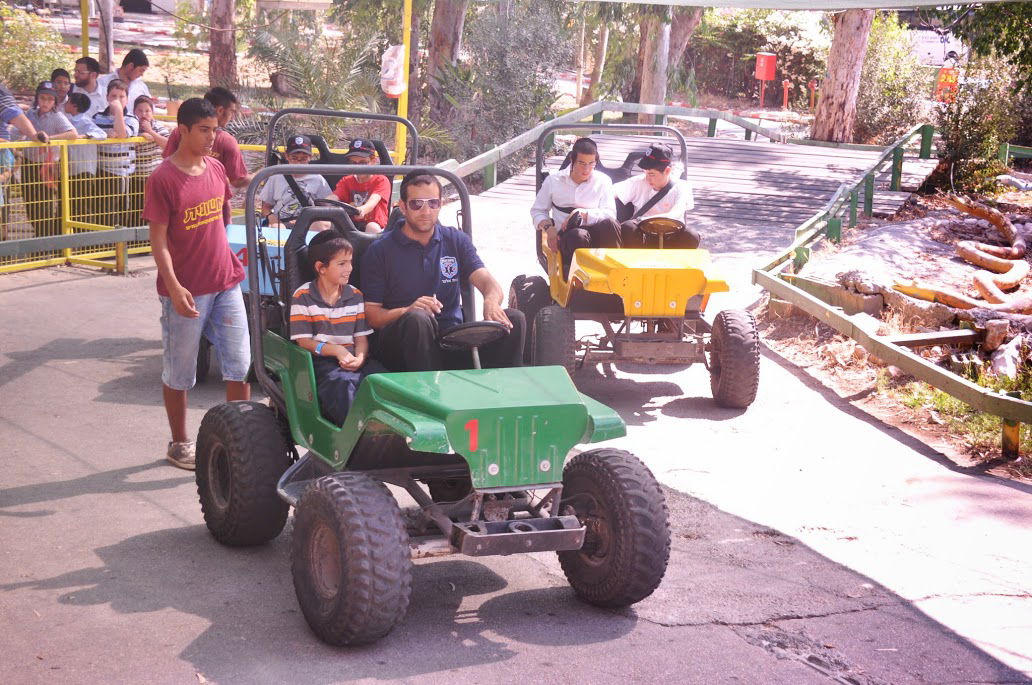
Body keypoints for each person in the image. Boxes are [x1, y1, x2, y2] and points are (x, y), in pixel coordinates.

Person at [142, 97, 251, 470]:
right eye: (204, 130)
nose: (211, 137)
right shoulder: (162, 179)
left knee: (240, 364)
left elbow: (222, 218)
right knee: (180, 372)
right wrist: (173, 287)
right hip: (187, 291)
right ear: (183, 130)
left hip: (227, 282)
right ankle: (179, 443)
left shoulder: (217, 169)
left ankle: (239, 442)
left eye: (214, 130)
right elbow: (158, 242)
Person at [362, 170, 525, 372]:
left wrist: (491, 302)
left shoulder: (455, 239)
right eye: (417, 204)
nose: (426, 211)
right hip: (402, 344)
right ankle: (429, 389)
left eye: (433, 203)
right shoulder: (380, 250)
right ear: (402, 207)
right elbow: (372, 316)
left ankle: (504, 389)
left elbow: (487, 282)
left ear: (440, 204)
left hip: (452, 338)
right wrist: (407, 310)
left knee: (514, 319)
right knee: (418, 319)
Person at [290, 231, 384, 425]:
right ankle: (357, 432)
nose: (349, 268)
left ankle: (387, 431)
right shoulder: (303, 296)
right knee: (342, 384)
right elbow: (304, 342)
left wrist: (360, 358)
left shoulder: (355, 295)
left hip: (353, 356)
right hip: (321, 359)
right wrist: (336, 351)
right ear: (321, 268)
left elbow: (361, 338)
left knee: (382, 380)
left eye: (350, 262)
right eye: (342, 264)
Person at [530, 137, 620, 277]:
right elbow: (538, 210)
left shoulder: (603, 181)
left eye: (591, 163)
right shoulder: (553, 181)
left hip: (596, 233)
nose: (586, 169)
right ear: (572, 160)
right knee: (579, 235)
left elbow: (610, 214)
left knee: (611, 224)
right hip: (568, 236)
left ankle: (616, 274)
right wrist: (549, 228)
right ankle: (576, 280)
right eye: (581, 163)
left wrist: (584, 214)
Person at [613, 143, 699, 249]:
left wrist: (642, 220)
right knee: (628, 227)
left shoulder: (682, 187)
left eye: (652, 174)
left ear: (667, 171)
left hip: (671, 235)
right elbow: (609, 192)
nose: (647, 178)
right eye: (645, 172)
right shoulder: (639, 182)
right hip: (642, 237)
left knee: (691, 235)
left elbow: (675, 213)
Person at [163, 87, 250, 188]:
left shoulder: (180, 132)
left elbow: (167, 163)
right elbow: (238, 181)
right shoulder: (227, 141)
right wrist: (260, 174)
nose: (211, 138)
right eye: (232, 111)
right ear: (220, 110)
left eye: (213, 131)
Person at [23, 81, 77, 237]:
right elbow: (17, 132)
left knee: (45, 202)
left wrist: (50, 138)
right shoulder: (30, 114)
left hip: (49, 165)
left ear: (54, 101)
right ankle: (39, 234)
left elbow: (72, 134)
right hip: (29, 162)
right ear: (37, 98)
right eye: (42, 98)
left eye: (50, 99)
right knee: (30, 201)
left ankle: (46, 238)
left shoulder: (57, 116)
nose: (45, 102)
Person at [92, 79, 140, 228]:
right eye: (113, 96)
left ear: (127, 99)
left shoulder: (132, 119)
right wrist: (106, 133)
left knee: (120, 209)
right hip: (101, 169)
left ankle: (119, 239)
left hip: (121, 172)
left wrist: (119, 111)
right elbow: (93, 133)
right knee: (103, 209)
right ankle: (104, 239)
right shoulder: (97, 117)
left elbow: (122, 134)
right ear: (107, 97)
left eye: (121, 97)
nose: (117, 100)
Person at [259, 134, 333, 227]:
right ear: (286, 156)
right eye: (294, 158)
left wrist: (311, 218)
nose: (298, 163)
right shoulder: (276, 177)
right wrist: (271, 217)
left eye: (303, 159)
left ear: (310, 157)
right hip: (281, 222)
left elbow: (327, 208)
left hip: (308, 223)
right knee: (275, 227)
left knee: (322, 225)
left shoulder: (318, 179)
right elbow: (265, 207)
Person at [63, 92, 107, 225]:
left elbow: (101, 134)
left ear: (74, 106)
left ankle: (85, 236)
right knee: (69, 206)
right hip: (71, 169)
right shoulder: (68, 121)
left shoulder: (85, 121)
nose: (65, 104)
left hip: (83, 170)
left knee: (82, 207)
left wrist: (85, 136)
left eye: (68, 101)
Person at [127, 95, 169, 226]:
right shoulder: (131, 126)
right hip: (136, 177)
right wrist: (140, 137)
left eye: (147, 111)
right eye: (140, 111)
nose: (143, 114)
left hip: (154, 178)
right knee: (136, 211)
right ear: (134, 112)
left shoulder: (158, 127)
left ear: (152, 112)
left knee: (154, 211)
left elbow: (168, 144)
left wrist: (151, 132)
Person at [332, 139, 390, 233]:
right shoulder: (346, 181)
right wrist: (324, 204)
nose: (358, 167)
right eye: (353, 163)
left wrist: (361, 210)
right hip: (350, 225)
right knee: (322, 223)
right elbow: (333, 197)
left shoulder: (381, 180)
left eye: (363, 162)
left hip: (374, 225)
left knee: (372, 227)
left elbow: (371, 203)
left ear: (373, 161)